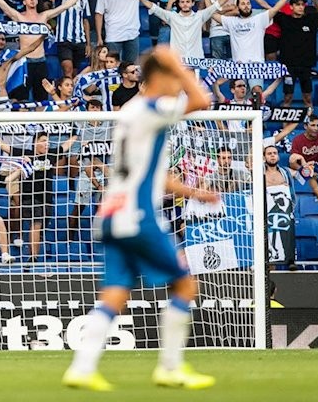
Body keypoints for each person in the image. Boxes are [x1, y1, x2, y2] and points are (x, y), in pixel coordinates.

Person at [64, 46, 217, 391]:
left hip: (112, 213)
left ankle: (82, 368)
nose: (177, 85)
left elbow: (152, 173)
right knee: (184, 284)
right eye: (172, 78)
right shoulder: (150, 109)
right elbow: (201, 100)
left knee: (115, 294)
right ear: (160, 78)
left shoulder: (132, 113)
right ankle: (170, 367)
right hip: (138, 215)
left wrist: (194, 192)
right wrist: (176, 63)